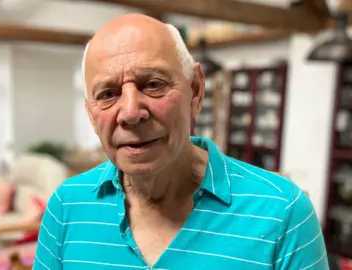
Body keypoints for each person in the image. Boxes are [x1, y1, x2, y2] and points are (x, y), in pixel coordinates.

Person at [33, 14, 328, 270]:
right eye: (108, 94)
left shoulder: (283, 214)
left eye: (153, 85)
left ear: (196, 91)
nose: (131, 113)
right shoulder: (66, 206)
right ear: (91, 114)